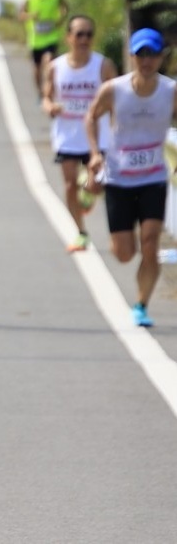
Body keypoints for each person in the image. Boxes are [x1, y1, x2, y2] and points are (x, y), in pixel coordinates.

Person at [86, 28, 177, 328]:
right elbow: (92, 116)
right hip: (119, 178)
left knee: (150, 242)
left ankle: (141, 304)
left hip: (153, 177)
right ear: (131, 56)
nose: (146, 61)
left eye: (152, 54)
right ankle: (127, 250)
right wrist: (95, 153)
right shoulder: (115, 89)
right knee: (125, 253)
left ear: (161, 57)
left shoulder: (170, 91)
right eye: (141, 55)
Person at [41, 15, 117, 252]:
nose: (84, 39)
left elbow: (118, 97)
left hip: (98, 134)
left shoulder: (103, 65)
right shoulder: (56, 67)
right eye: (79, 34)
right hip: (68, 134)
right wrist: (50, 107)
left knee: (96, 185)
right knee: (69, 184)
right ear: (68, 37)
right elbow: (46, 96)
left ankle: (88, 194)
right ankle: (81, 233)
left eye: (89, 34)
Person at [19, 0, 69, 99]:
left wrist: (60, 20)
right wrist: (30, 16)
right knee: (36, 69)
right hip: (35, 39)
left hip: (51, 37)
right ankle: (40, 93)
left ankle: (49, 89)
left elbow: (65, 8)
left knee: (49, 61)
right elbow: (21, 15)